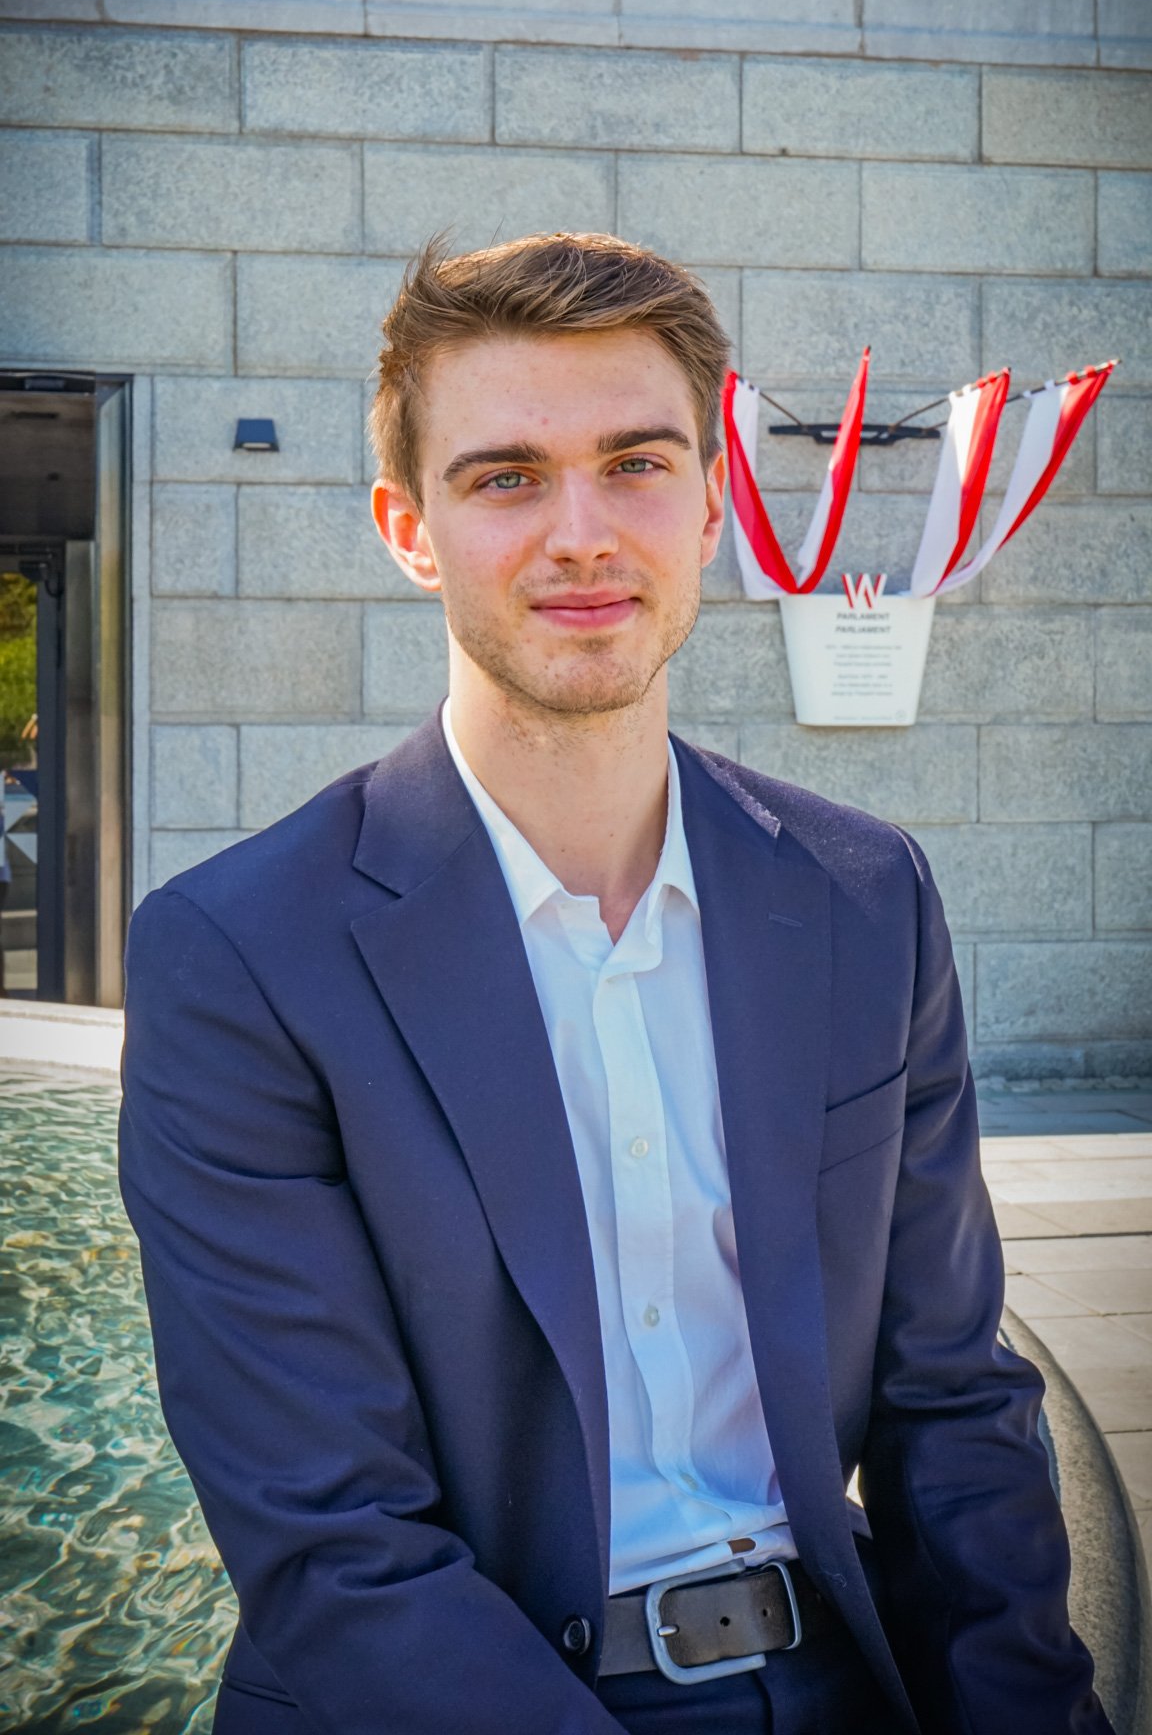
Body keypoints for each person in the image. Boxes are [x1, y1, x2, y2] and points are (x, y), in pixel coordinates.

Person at [120, 233, 1110, 1735]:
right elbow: (335, 1544)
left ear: (711, 503)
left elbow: (953, 1405)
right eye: (506, 476)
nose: (581, 531)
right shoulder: (241, 955)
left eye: (635, 464)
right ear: (408, 527)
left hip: (844, 1677)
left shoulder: (863, 897)